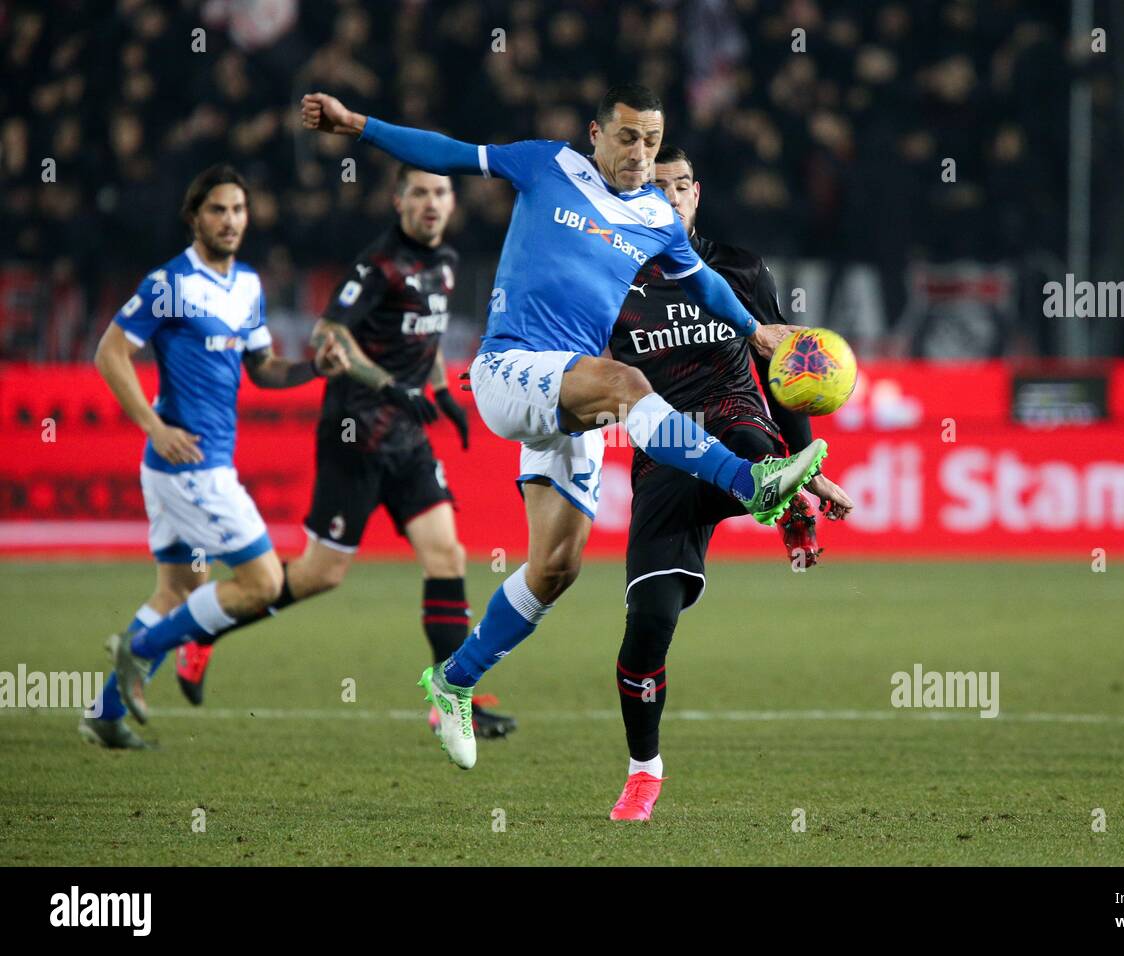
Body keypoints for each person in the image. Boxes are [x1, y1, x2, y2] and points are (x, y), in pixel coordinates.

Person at [302, 82, 828, 771]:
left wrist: (755, 332)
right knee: (627, 386)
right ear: (596, 134)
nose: (641, 153)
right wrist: (360, 126)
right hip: (510, 368)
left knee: (555, 568)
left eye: (651, 140)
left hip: (567, 391)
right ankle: (752, 483)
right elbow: (449, 153)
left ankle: (453, 681)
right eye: (629, 137)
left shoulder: (655, 218)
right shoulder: (547, 164)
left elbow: (702, 283)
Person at [171, 165, 516, 740]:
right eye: (420, 193)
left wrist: (437, 391)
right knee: (320, 574)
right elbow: (327, 334)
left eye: (440, 193)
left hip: (407, 437)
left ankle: (453, 699)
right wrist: (387, 385)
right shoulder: (377, 264)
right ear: (399, 199)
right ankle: (205, 628)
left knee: (447, 557)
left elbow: (423, 338)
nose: (431, 204)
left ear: (452, 202)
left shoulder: (447, 263)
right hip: (354, 433)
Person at [605, 147, 856, 820]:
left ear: (696, 193)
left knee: (749, 440)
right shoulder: (610, 274)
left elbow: (788, 373)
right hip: (665, 456)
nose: (672, 195)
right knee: (648, 627)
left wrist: (814, 467)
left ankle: (783, 487)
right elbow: (588, 373)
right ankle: (643, 771)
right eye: (657, 186)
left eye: (682, 184)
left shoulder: (739, 269)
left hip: (739, 424)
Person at [79, 164, 349, 749]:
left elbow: (262, 368)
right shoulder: (169, 283)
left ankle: (104, 712)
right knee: (262, 581)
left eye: (238, 210)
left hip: (190, 467)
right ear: (194, 217)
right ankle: (143, 649)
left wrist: (311, 368)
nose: (230, 221)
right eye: (217, 210)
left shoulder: (248, 284)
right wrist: (152, 425)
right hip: (189, 465)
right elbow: (110, 353)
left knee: (178, 590)